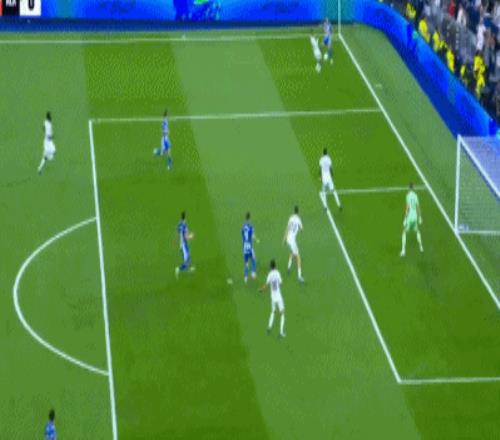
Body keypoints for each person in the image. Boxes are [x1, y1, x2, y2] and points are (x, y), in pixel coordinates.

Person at [260, 259, 285, 338]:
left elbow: (266, 285)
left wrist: (261, 290)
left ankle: (269, 327)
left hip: (273, 297)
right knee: (282, 313)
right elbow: (281, 283)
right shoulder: (277, 273)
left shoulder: (270, 274)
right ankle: (281, 332)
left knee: (273, 312)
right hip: (278, 296)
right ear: (275, 266)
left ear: (270, 267)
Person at [400, 183, 423, 257]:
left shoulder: (408, 196)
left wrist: (405, 218)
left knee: (404, 232)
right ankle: (421, 247)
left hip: (410, 217)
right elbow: (418, 207)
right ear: (413, 188)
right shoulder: (416, 196)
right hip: (415, 217)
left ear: (409, 188)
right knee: (417, 231)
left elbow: (407, 208)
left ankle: (403, 250)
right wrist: (420, 217)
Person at [283, 206, 304, 282]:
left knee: (293, 252)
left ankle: (289, 267)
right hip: (292, 241)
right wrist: (299, 228)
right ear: (298, 212)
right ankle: (299, 276)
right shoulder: (298, 219)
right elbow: (302, 229)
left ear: (293, 211)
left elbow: (287, 228)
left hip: (288, 239)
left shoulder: (290, 218)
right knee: (298, 258)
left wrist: (284, 239)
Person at [175, 211, 195, 278]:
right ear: (185, 217)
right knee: (186, 260)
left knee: (188, 256)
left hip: (181, 244)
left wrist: (178, 242)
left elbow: (178, 234)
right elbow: (186, 237)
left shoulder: (179, 224)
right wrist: (191, 236)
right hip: (184, 244)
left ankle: (190, 268)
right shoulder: (185, 226)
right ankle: (178, 269)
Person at [242, 212, 259, 283]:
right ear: (250, 218)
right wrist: (256, 240)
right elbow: (252, 236)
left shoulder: (243, 227)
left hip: (244, 246)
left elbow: (242, 236)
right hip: (249, 246)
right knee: (254, 259)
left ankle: (245, 277)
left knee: (246, 263)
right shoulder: (251, 226)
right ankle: (253, 273)